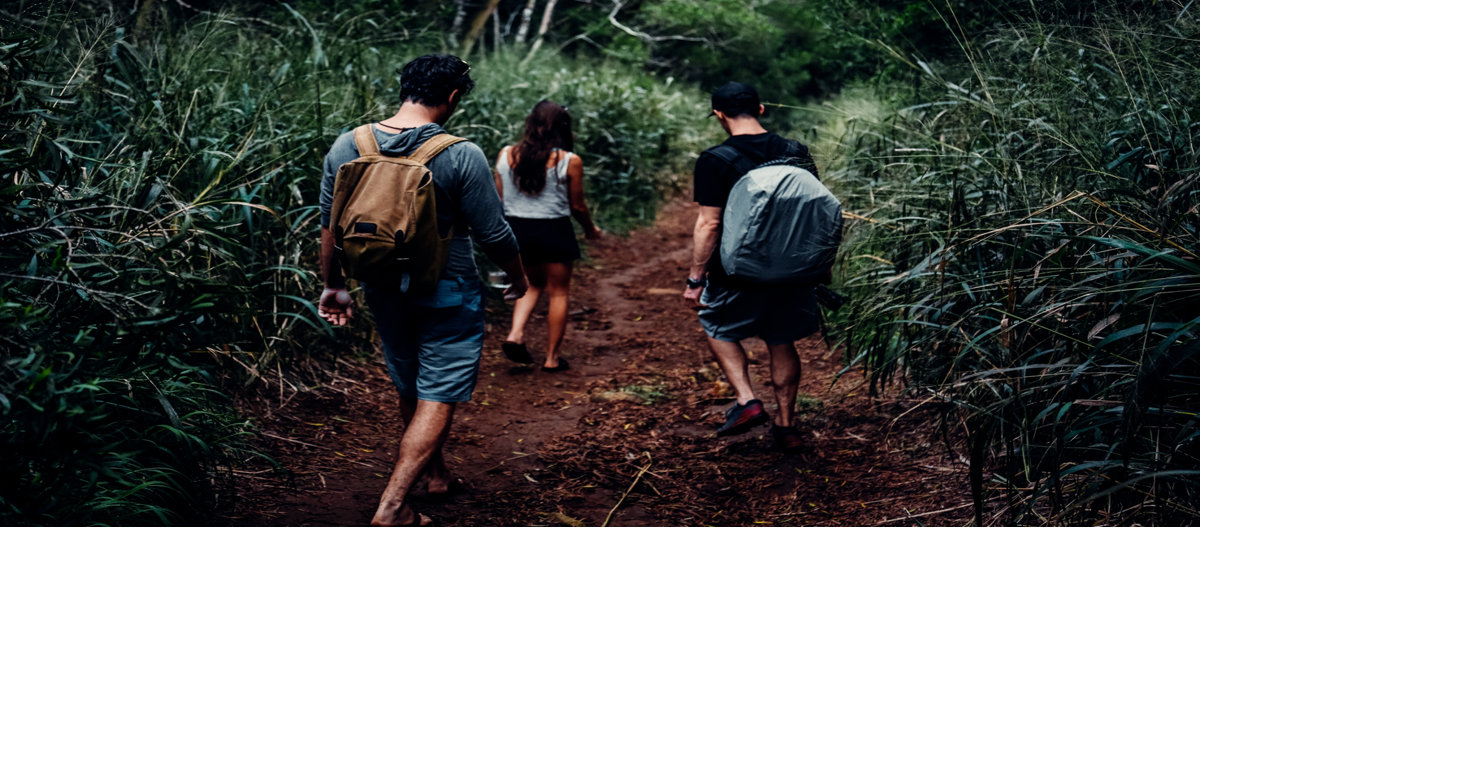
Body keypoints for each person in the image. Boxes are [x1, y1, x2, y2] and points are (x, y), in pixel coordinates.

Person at [317, 54, 529, 527]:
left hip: (381, 284)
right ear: (452, 97)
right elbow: (493, 233)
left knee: (411, 382)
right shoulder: (461, 153)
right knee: (439, 392)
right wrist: (518, 278)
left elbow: (330, 225)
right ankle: (392, 506)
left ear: (405, 87)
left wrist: (333, 284)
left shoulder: (349, 144)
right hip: (447, 287)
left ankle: (436, 475)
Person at [683, 82, 820, 454]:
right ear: (760, 109)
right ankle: (787, 427)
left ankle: (747, 400)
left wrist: (696, 279)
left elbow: (709, 224)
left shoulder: (715, 159)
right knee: (781, 338)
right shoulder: (796, 151)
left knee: (714, 323)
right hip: (793, 266)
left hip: (738, 269)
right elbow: (811, 208)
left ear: (719, 115)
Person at [496, 100, 601, 372]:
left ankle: (515, 334)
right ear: (563, 127)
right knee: (558, 293)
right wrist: (590, 229)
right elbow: (578, 206)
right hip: (554, 230)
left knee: (530, 284)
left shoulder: (506, 154)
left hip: (518, 230)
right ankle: (552, 359)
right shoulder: (569, 160)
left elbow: (499, 198)